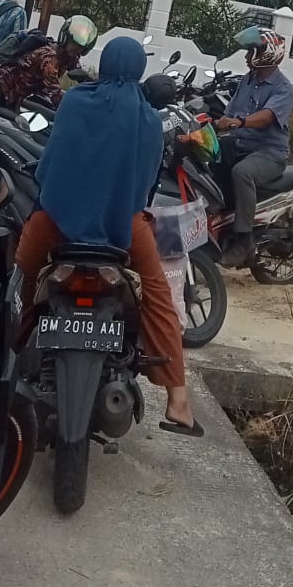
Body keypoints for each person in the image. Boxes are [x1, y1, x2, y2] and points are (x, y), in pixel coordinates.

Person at [15, 36, 201, 437]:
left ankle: (5, 358)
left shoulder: (75, 101)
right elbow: (147, 184)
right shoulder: (149, 119)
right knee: (158, 296)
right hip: (121, 228)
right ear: (137, 70)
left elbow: (48, 167)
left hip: (57, 220)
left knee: (20, 280)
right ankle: (179, 401)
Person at [216, 26, 293, 267]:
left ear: (267, 53)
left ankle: (244, 239)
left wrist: (238, 122)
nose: (247, 58)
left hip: (270, 153)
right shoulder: (247, 80)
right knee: (208, 159)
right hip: (241, 145)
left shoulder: (283, 87)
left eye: (251, 52)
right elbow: (229, 112)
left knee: (242, 172)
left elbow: (267, 117)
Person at [0, 14, 98, 114]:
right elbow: (55, 94)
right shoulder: (49, 57)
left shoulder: (70, 58)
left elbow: (81, 77)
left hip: (15, 95)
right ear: (65, 38)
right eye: (74, 44)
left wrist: (96, 89)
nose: (77, 49)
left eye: (81, 47)